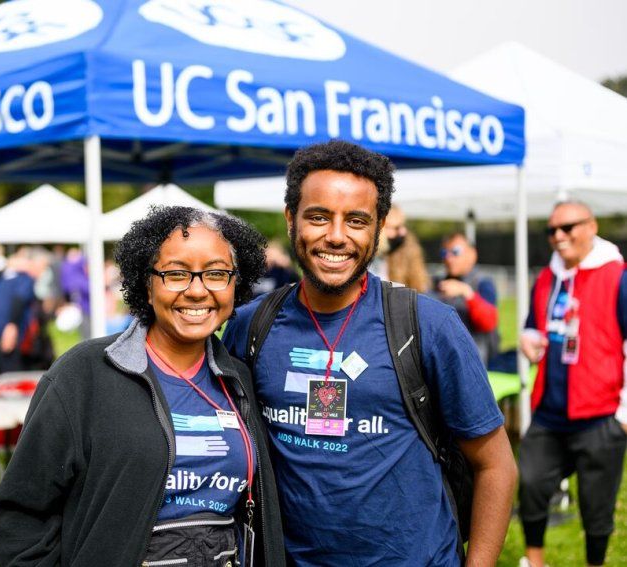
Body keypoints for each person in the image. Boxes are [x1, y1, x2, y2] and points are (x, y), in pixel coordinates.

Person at [223, 140, 516, 566]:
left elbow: (495, 464)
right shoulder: (252, 325)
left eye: (356, 220)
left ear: (378, 228)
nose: (336, 236)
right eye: (318, 217)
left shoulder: (428, 326)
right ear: (291, 220)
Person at [0, 206, 285, 566]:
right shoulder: (83, 375)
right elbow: (19, 515)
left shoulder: (238, 379)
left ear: (235, 283)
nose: (197, 290)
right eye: (176, 274)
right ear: (146, 283)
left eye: (216, 273)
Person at [518, 201, 627, 567]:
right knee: (530, 485)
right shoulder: (547, 278)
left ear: (592, 226)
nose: (558, 237)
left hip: (600, 416)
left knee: (598, 509)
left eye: (568, 228)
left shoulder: (617, 275)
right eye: (551, 231)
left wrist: (624, 414)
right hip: (550, 413)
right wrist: (528, 340)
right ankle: (535, 561)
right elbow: (534, 325)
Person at [435, 232, 500, 365]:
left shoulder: (483, 283)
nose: (449, 258)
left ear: (472, 254)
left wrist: (467, 293)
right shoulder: (436, 283)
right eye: (444, 253)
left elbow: (488, 322)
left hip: (477, 364)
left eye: (455, 252)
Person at [372, 204, 431, 292]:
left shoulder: (404, 250)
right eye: (396, 227)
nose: (403, 232)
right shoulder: (370, 262)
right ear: (381, 227)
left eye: (403, 226)